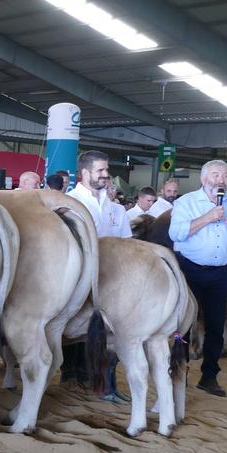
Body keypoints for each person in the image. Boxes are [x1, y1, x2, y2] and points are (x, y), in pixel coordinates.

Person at [169, 160, 227, 397]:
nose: (221, 180)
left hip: (219, 273)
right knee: (183, 326)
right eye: (216, 175)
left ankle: (209, 377)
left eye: (225, 176)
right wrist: (207, 218)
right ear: (203, 179)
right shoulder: (186, 202)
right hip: (189, 271)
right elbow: (175, 233)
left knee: (217, 326)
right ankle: (180, 375)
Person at [65, 151, 130, 401]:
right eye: (100, 170)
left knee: (111, 334)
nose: (106, 174)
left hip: (112, 278)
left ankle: (107, 385)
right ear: (84, 173)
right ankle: (75, 375)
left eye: (106, 170)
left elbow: (126, 244)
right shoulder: (69, 203)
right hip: (80, 277)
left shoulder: (116, 209)